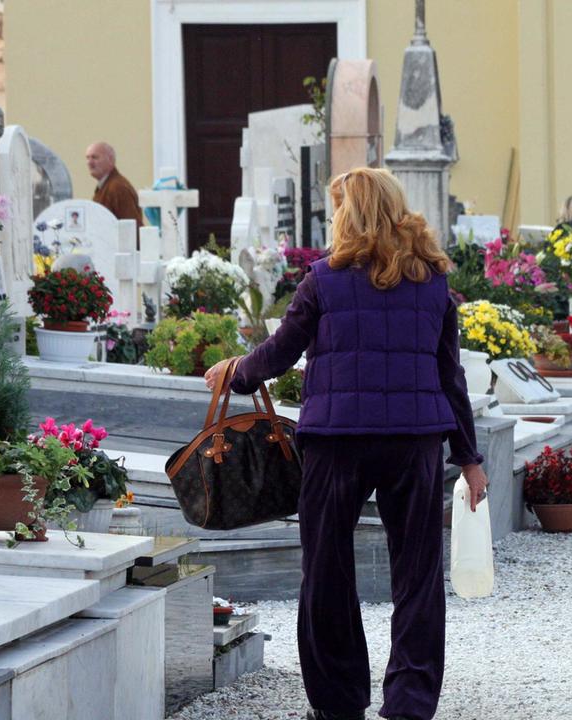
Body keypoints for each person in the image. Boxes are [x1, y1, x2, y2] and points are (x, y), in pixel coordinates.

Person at [204, 167, 489, 720]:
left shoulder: (324, 280)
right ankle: (408, 704)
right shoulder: (434, 283)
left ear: (351, 213)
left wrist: (235, 371)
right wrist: (469, 459)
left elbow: (279, 353)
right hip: (415, 444)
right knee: (418, 576)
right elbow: (450, 378)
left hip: (338, 443)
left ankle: (338, 703)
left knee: (328, 574)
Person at [85, 142, 144, 227]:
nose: (90, 163)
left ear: (111, 160)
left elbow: (131, 227)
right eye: (87, 158)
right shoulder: (106, 185)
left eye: (95, 157)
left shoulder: (118, 188)